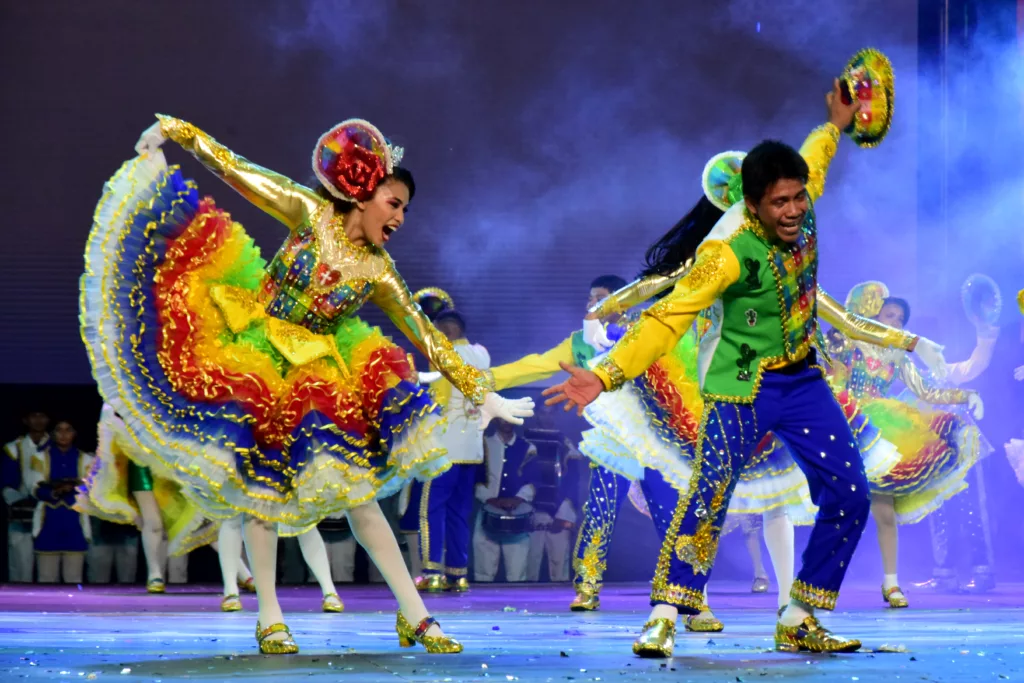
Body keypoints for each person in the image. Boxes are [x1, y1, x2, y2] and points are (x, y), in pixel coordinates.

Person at [82, 114, 533, 654]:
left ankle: (415, 616)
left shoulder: (380, 272)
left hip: (319, 382)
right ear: (363, 195)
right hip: (255, 361)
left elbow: (429, 338)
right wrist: (176, 133)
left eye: (407, 210)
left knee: (362, 500)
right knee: (261, 496)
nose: (401, 218)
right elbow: (234, 168)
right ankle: (269, 616)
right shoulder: (310, 211)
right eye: (395, 204)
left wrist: (488, 396)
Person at [544, 81, 944, 655]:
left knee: (851, 493)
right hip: (741, 388)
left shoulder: (803, 209)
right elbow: (666, 319)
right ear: (751, 205)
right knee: (709, 494)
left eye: (797, 199)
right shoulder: (724, 251)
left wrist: (834, 122)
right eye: (778, 203)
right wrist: (606, 373)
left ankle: (799, 615)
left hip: (803, 380)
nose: (792, 211)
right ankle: (662, 613)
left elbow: (814, 160)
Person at [822, 283, 984, 608]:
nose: (895, 322)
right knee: (836, 508)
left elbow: (926, 391)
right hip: (845, 421)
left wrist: (966, 395)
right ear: (873, 314)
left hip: (881, 429)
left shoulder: (898, 355)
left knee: (885, 511)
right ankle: (820, 582)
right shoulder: (850, 343)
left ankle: (891, 582)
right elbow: (824, 354)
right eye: (889, 314)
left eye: (900, 318)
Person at [400, 290, 490, 593]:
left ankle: (431, 571)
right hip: (472, 450)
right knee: (458, 512)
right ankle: (458, 574)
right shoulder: (481, 353)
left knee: (431, 510)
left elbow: (435, 401)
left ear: (446, 331)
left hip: (445, 448)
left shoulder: (443, 355)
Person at [26, 421, 93, 584]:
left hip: (75, 521)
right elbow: (34, 486)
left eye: (68, 430)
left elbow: (92, 487)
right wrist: (55, 492)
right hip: (48, 520)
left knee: (74, 578)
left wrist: (72, 488)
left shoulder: (86, 459)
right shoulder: (39, 457)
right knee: (46, 578)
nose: (63, 434)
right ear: (53, 433)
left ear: (74, 434)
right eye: (59, 430)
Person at [473, 419, 536, 582]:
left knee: (517, 572)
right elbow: (474, 477)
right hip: (488, 511)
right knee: (483, 570)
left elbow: (534, 479)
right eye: (502, 417)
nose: (506, 421)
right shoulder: (483, 444)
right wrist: (489, 498)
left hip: (517, 513)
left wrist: (518, 498)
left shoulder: (528, 447)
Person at [2, 409, 49, 582]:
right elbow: (6, 484)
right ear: (26, 420)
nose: (38, 420)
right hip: (22, 512)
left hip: (50, 510)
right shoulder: (14, 448)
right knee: (21, 564)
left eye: (42, 415)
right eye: (34, 416)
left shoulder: (56, 445)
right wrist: (22, 500)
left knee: (48, 566)